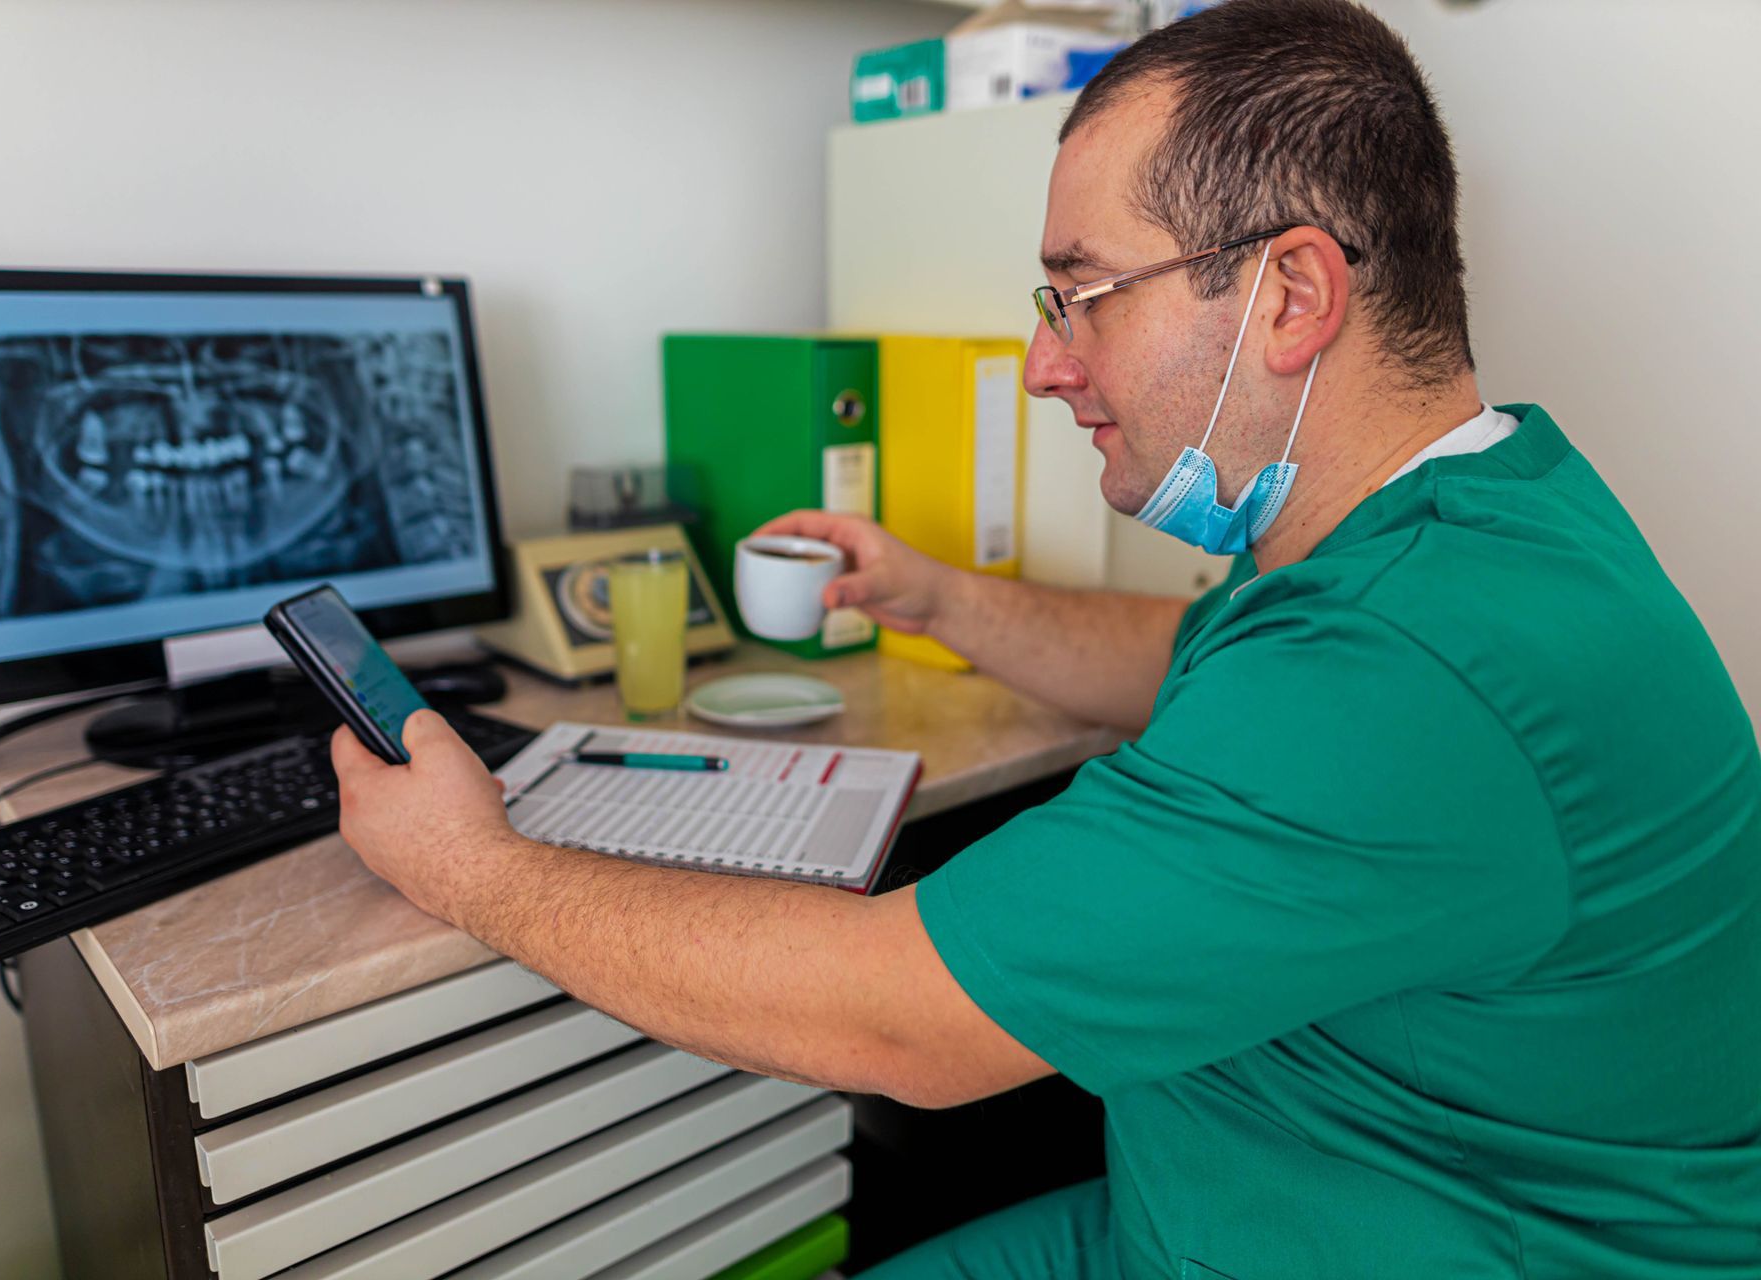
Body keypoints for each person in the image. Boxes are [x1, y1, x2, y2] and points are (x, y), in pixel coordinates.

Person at [329, 1, 1761, 1275]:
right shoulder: (1470, 525)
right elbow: (1190, 666)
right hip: (1245, 1196)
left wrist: (476, 867)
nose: (1043, 364)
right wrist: (937, 597)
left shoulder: (1402, 679)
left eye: (1083, 294)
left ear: (1296, 295)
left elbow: (897, 1024)